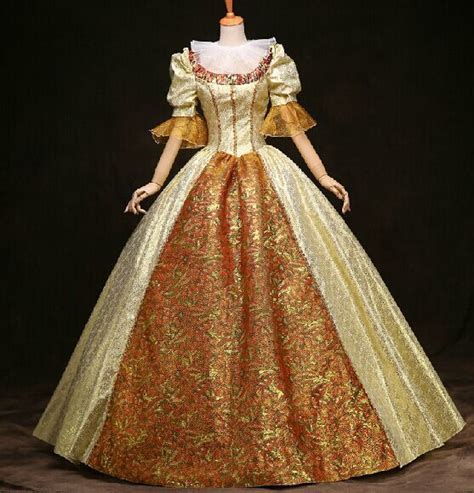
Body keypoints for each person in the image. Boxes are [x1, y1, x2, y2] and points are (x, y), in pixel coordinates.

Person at [32, 1, 465, 487]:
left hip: (269, 176)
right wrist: (155, 182)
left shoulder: (271, 57)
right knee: (193, 299)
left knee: (297, 294)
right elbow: (181, 125)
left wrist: (322, 175)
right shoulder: (189, 61)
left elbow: (291, 125)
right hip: (205, 181)